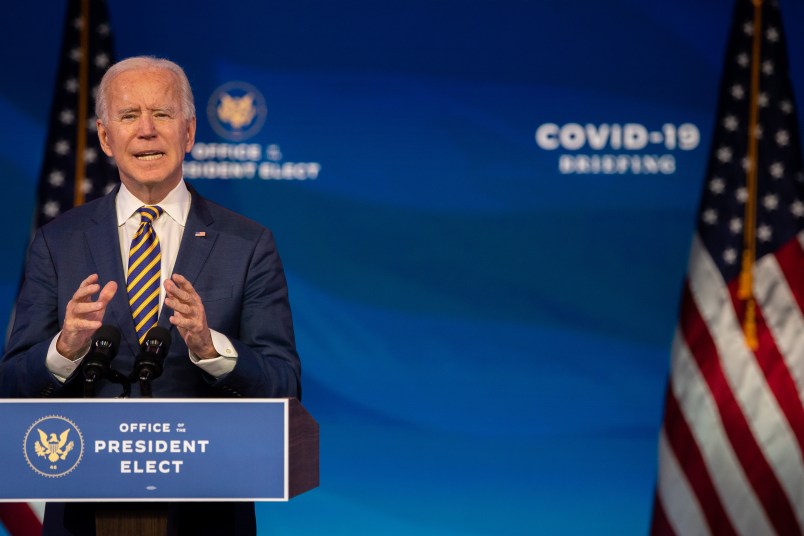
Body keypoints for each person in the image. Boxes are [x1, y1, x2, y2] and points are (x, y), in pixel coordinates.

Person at [0, 56, 301, 535]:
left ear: (188, 133)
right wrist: (64, 349)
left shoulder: (248, 244)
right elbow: (12, 384)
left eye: (161, 115)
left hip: (206, 512)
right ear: (104, 137)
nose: (146, 131)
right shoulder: (58, 242)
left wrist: (211, 349)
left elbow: (284, 386)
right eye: (128, 116)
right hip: (83, 511)